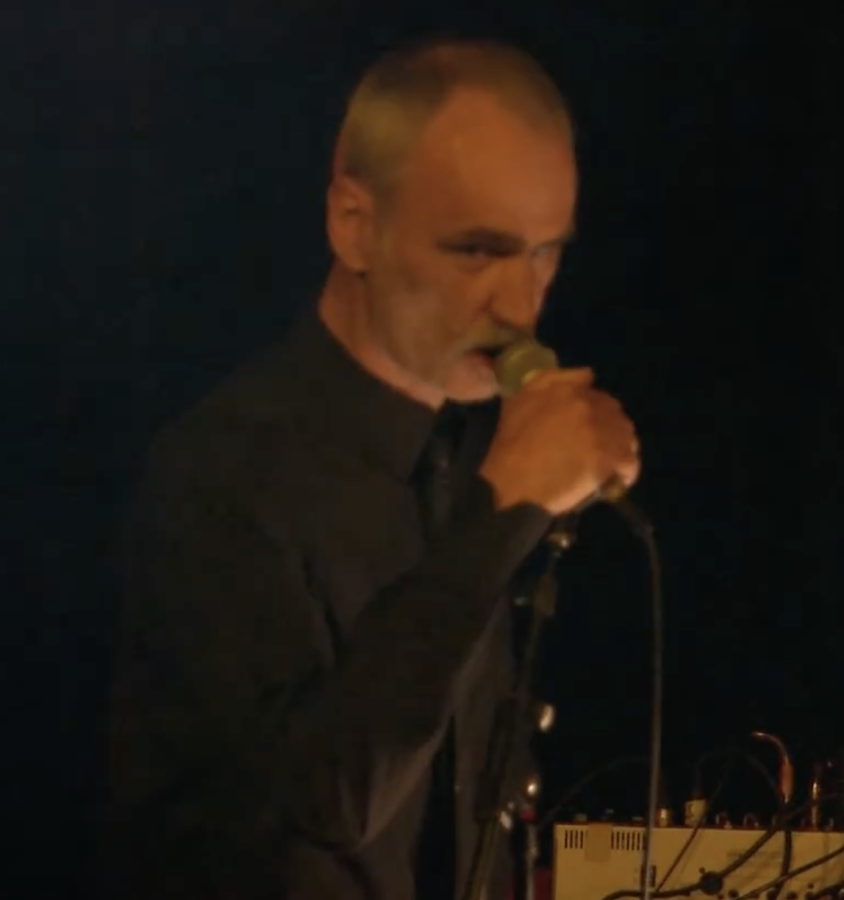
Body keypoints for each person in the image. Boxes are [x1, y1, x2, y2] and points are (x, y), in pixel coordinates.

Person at [100, 37, 640, 900]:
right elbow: (327, 800)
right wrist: (503, 514)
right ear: (355, 224)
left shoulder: (463, 463)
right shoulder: (219, 474)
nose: (520, 304)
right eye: (478, 251)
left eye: (545, 253)